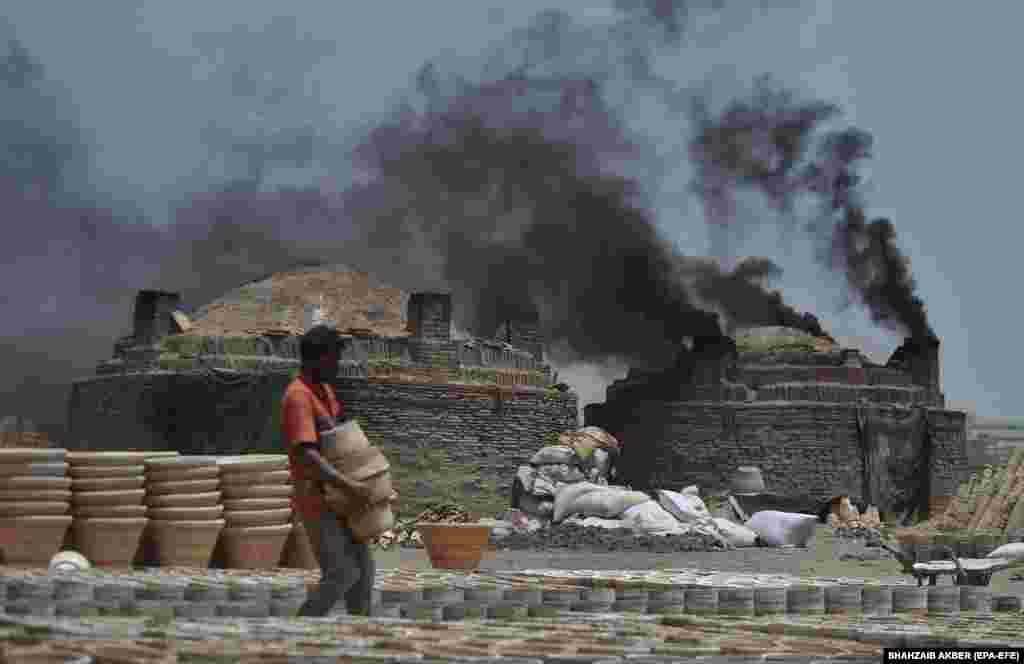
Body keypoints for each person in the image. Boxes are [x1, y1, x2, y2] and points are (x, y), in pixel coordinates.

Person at [281, 324, 375, 617]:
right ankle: (295, 633)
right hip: (318, 499)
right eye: (333, 358)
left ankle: (360, 641)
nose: (338, 365)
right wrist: (349, 485)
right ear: (315, 358)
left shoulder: (324, 392)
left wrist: (374, 480)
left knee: (364, 572)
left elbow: (341, 440)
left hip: (341, 497)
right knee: (342, 573)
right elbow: (306, 454)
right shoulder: (298, 397)